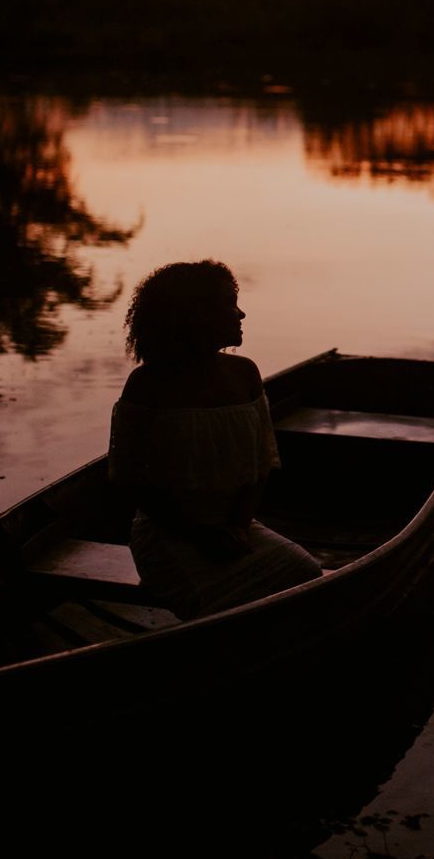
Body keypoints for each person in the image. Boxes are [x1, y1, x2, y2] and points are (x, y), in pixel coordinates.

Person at [107, 260, 321, 618]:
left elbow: (260, 465)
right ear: (195, 315)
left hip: (234, 526)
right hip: (168, 535)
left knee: (305, 572)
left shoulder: (245, 374)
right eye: (228, 303)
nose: (240, 313)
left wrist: (236, 526)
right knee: (226, 607)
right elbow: (129, 480)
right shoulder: (147, 384)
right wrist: (199, 533)